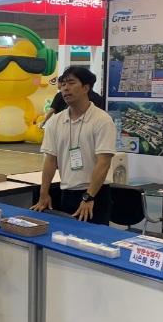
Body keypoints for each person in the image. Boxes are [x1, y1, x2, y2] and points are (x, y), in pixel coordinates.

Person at [32, 66, 116, 224]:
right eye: (63, 84)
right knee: (66, 236)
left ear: (86, 88)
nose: (65, 88)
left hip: (95, 195)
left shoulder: (102, 120)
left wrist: (88, 197)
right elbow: (50, 159)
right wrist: (44, 192)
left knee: (94, 238)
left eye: (71, 83)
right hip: (67, 193)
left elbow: (103, 163)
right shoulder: (56, 121)